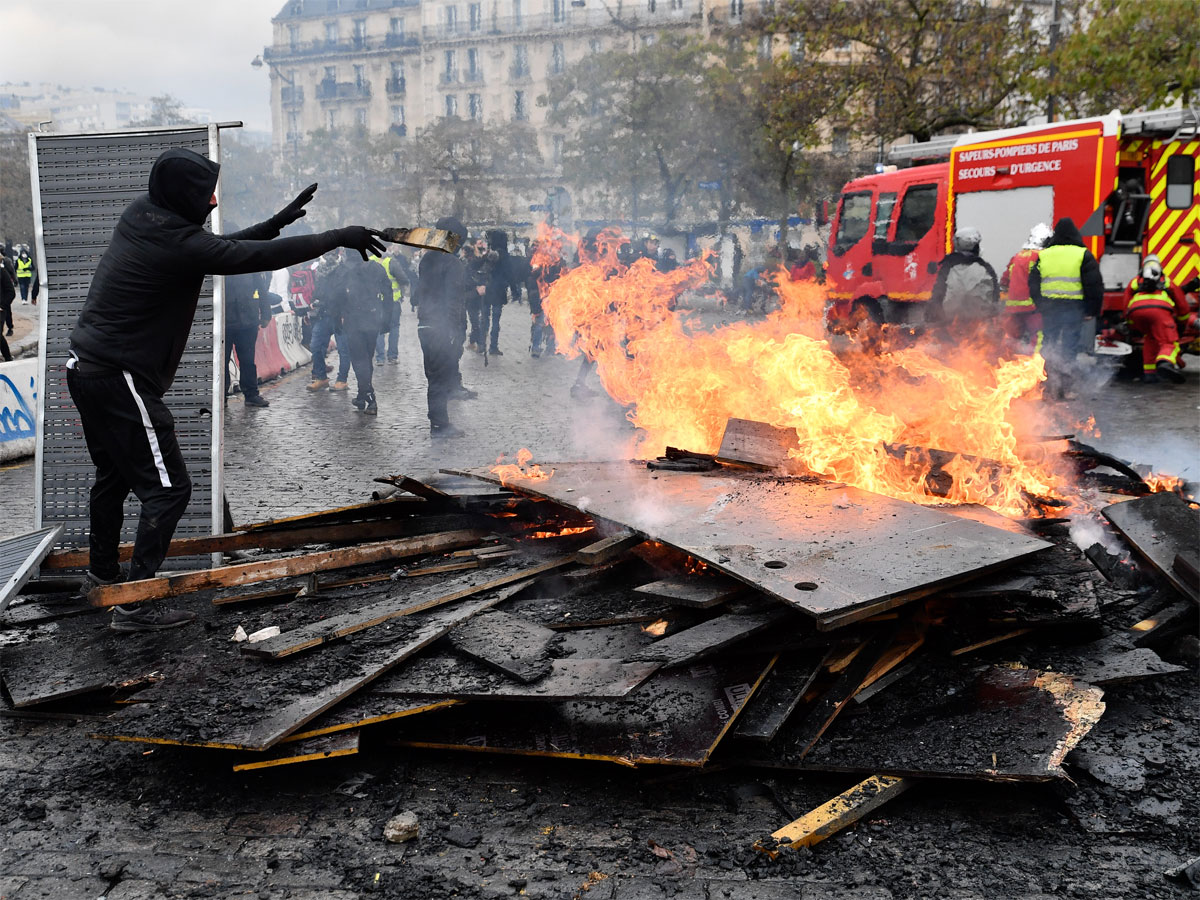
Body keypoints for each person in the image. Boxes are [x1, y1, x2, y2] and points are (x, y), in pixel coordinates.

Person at [67, 146, 383, 631]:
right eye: (205, 193)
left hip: (88, 370)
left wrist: (273, 224)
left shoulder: (143, 217)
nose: (213, 202)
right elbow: (233, 255)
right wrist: (338, 236)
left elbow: (223, 250)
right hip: (119, 376)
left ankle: (102, 578)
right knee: (170, 489)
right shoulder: (174, 240)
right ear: (182, 195)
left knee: (114, 478)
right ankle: (136, 604)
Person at [1028, 217, 1103, 400]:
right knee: (1069, 348)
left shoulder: (1044, 254)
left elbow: (1033, 283)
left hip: (1050, 308)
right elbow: (1094, 285)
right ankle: (1066, 389)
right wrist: (1091, 310)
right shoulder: (1082, 254)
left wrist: (1041, 305)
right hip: (1073, 308)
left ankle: (1046, 388)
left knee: (1049, 346)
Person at [415, 216, 468, 437]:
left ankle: (438, 420)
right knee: (440, 377)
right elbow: (453, 300)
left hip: (425, 325)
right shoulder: (452, 263)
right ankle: (439, 424)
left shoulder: (427, 260)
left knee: (435, 375)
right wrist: (454, 330)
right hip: (441, 327)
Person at [323, 249, 391, 414]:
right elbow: (388, 294)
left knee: (360, 360)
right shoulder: (376, 267)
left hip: (353, 320)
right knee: (367, 359)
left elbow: (334, 298)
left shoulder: (343, 270)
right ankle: (362, 396)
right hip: (372, 318)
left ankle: (370, 398)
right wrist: (386, 320)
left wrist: (336, 320)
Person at [1124, 259, 1187, 383]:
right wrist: (1182, 320)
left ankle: (1150, 374)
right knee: (1169, 342)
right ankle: (1165, 363)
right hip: (1160, 313)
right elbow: (1181, 304)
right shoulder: (1167, 281)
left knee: (1151, 339)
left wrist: (1130, 323)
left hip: (1136, 313)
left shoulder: (1134, 282)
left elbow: (1125, 302)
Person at [223, 261, 274, 408]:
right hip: (224, 322)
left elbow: (261, 289)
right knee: (222, 362)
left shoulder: (249, 263)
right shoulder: (218, 261)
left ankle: (251, 394)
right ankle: (221, 397)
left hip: (247, 321)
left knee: (248, 361)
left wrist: (266, 314)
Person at [928, 227, 1000, 325]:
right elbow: (995, 294)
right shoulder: (986, 267)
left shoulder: (948, 265)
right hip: (978, 320)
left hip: (950, 319)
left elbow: (938, 292)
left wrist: (932, 313)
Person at [1000, 222, 1052, 353]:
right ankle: (1036, 364)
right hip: (1032, 306)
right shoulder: (1042, 257)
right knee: (1037, 336)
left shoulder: (1017, 256)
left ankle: (1008, 361)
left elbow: (1005, 280)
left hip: (1013, 307)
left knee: (1011, 337)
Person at [374, 246, 409, 364]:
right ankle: (392, 356)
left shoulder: (370, 261)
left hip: (376, 301)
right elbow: (404, 279)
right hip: (393, 301)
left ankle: (379, 357)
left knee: (378, 329)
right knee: (394, 327)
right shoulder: (391, 262)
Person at [0, 253, 15, 337]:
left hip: (3, 300)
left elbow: (12, 270)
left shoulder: (3, 270)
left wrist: (3, 305)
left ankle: (10, 327)